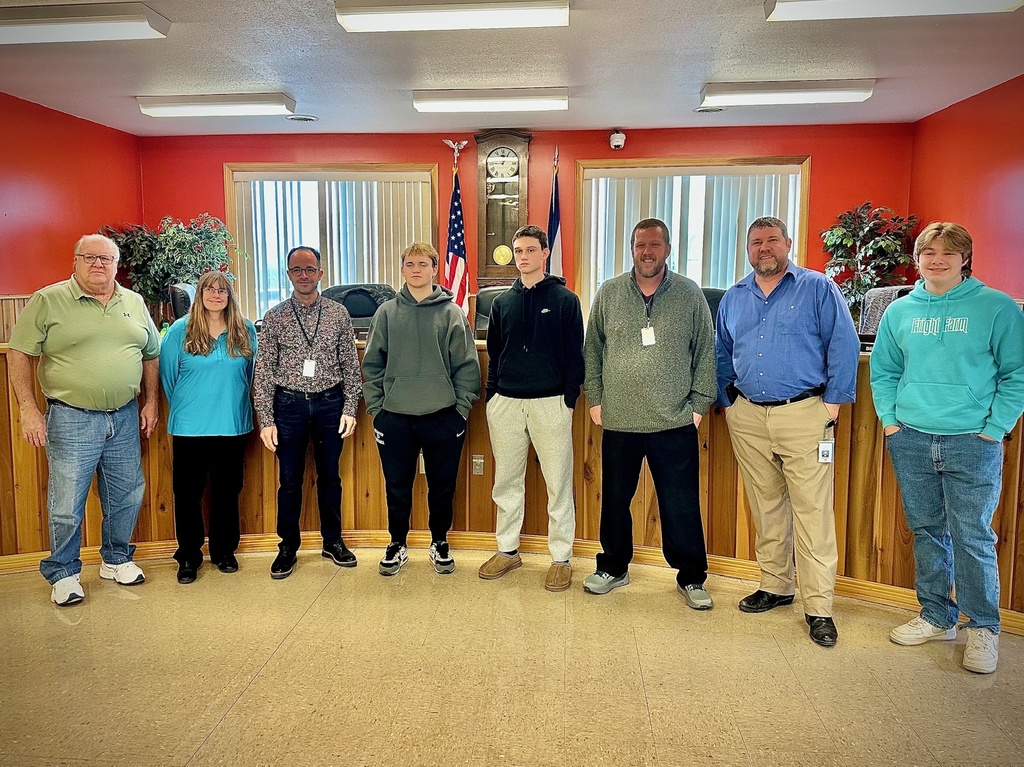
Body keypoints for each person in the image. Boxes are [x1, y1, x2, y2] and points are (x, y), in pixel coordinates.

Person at [870, 222, 1024, 674]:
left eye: (948, 253)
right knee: (926, 530)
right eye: (928, 253)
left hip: (972, 441)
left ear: (964, 259)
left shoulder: (996, 307)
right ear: (917, 259)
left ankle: (983, 627)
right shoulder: (900, 311)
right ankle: (937, 616)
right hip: (911, 437)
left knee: (972, 536)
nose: (937, 260)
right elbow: (884, 371)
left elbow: (1016, 373)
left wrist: (995, 428)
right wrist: (890, 422)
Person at [716, 216, 859, 648]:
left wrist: (832, 404)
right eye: (756, 242)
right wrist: (728, 403)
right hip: (748, 416)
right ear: (747, 249)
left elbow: (844, 344)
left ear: (788, 243)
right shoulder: (734, 297)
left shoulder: (817, 288)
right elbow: (722, 352)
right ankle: (776, 585)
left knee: (813, 512)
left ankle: (819, 607)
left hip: (804, 413)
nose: (764, 248)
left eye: (772, 240)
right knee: (766, 506)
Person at [8, 234, 160, 605]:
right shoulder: (48, 300)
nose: (98, 264)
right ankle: (63, 573)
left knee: (127, 494)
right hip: (71, 417)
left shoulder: (134, 301)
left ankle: (116, 559)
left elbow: (150, 354)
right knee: (66, 503)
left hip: (124, 415)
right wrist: (28, 408)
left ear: (116, 264)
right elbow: (19, 352)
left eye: (106, 258)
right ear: (75, 261)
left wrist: (151, 402)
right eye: (89, 257)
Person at [582, 217, 717, 608]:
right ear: (632, 249)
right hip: (619, 419)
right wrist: (595, 398)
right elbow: (593, 350)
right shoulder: (609, 292)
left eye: (655, 245)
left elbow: (706, 350)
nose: (647, 252)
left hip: (674, 420)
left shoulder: (689, 294)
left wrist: (699, 404)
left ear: (668, 249)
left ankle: (691, 577)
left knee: (680, 503)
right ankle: (613, 567)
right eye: (640, 244)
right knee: (614, 501)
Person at [362, 242, 480, 576]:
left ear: (434, 269)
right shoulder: (386, 313)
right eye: (410, 264)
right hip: (395, 417)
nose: (416, 270)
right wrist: (377, 409)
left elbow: (467, 366)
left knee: (442, 486)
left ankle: (439, 541)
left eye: (423, 264)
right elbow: (372, 365)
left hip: (443, 416)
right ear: (402, 269)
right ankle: (397, 543)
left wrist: (460, 410)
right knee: (397, 485)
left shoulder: (451, 313)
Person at [478, 225, 584, 592]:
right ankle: (507, 550)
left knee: (558, 483)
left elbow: (574, 355)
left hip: (550, 403)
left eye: (530, 250)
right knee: (506, 482)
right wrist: (492, 398)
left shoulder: (565, 300)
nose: (523, 257)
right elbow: (494, 353)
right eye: (518, 251)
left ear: (544, 254)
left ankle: (561, 557)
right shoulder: (501, 303)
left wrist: (569, 401)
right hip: (506, 404)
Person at [252, 245, 362, 579]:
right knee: (289, 480)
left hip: (330, 404)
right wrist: (266, 419)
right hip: (289, 406)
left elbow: (350, 365)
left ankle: (333, 541)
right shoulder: (275, 317)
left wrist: (350, 407)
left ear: (320, 273)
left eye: (310, 269)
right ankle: (287, 547)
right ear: (288, 274)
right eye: (297, 270)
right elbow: (264, 370)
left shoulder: (338, 313)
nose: (304, 275)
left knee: (330, 477)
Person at [159, 271, 257, 584]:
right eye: (210, 290)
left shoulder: (245, 329)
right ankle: (188, 556)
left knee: (228, 492)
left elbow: (250, 376)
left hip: (232, 423)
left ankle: (224, 551)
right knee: (188, 495)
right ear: (199, 294)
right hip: (190, 427)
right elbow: (168, 378)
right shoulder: (180, 330)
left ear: (230, 296)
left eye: (222, 290)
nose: (216, 295)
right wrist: (190, 406)